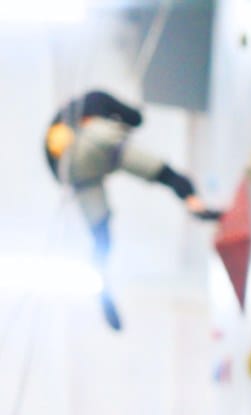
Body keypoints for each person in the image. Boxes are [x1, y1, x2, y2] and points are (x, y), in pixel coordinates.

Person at [44, 90, 221, 330]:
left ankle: (103, 283)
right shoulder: (97, 99)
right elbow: (136, 120)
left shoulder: (69, 116)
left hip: (75, 174)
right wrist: (131, 115)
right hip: (102, 147)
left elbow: (58, 174)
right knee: (165, 174)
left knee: (101, 234)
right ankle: (194, 204)